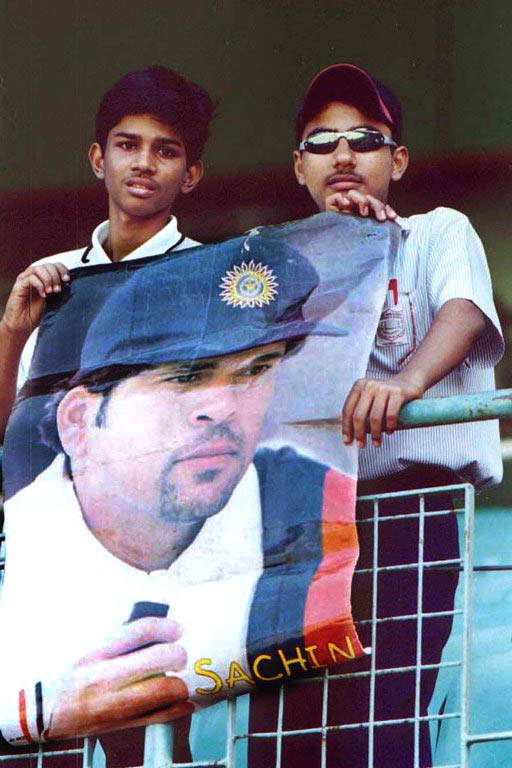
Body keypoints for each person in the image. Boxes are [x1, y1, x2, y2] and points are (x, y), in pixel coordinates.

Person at [0, 238, 361, 748]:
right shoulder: (14, 536)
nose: (222, 407)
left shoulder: (307, 503)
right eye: (185, 376)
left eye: (255, 370)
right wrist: (38, 711)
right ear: (79, 420)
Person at [248, 63, 504, 768]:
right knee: (288, 732)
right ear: (299, 167)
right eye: (322, 141)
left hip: (407, 507)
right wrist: (333, 260)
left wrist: (408, 381)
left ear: (398, 159)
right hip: (299, 518)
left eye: (364, 138)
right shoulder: (279, 263)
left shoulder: (435, 233)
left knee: (383, 722)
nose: (343, 155)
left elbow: (462, 311)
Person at [0, 65, 214, 442]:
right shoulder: (51, 277)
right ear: (99, 160)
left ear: (190, 174)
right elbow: (9, 434)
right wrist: (12, 333)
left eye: (165, 150)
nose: (144, 163)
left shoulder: (212, 278)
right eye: (128, 145)